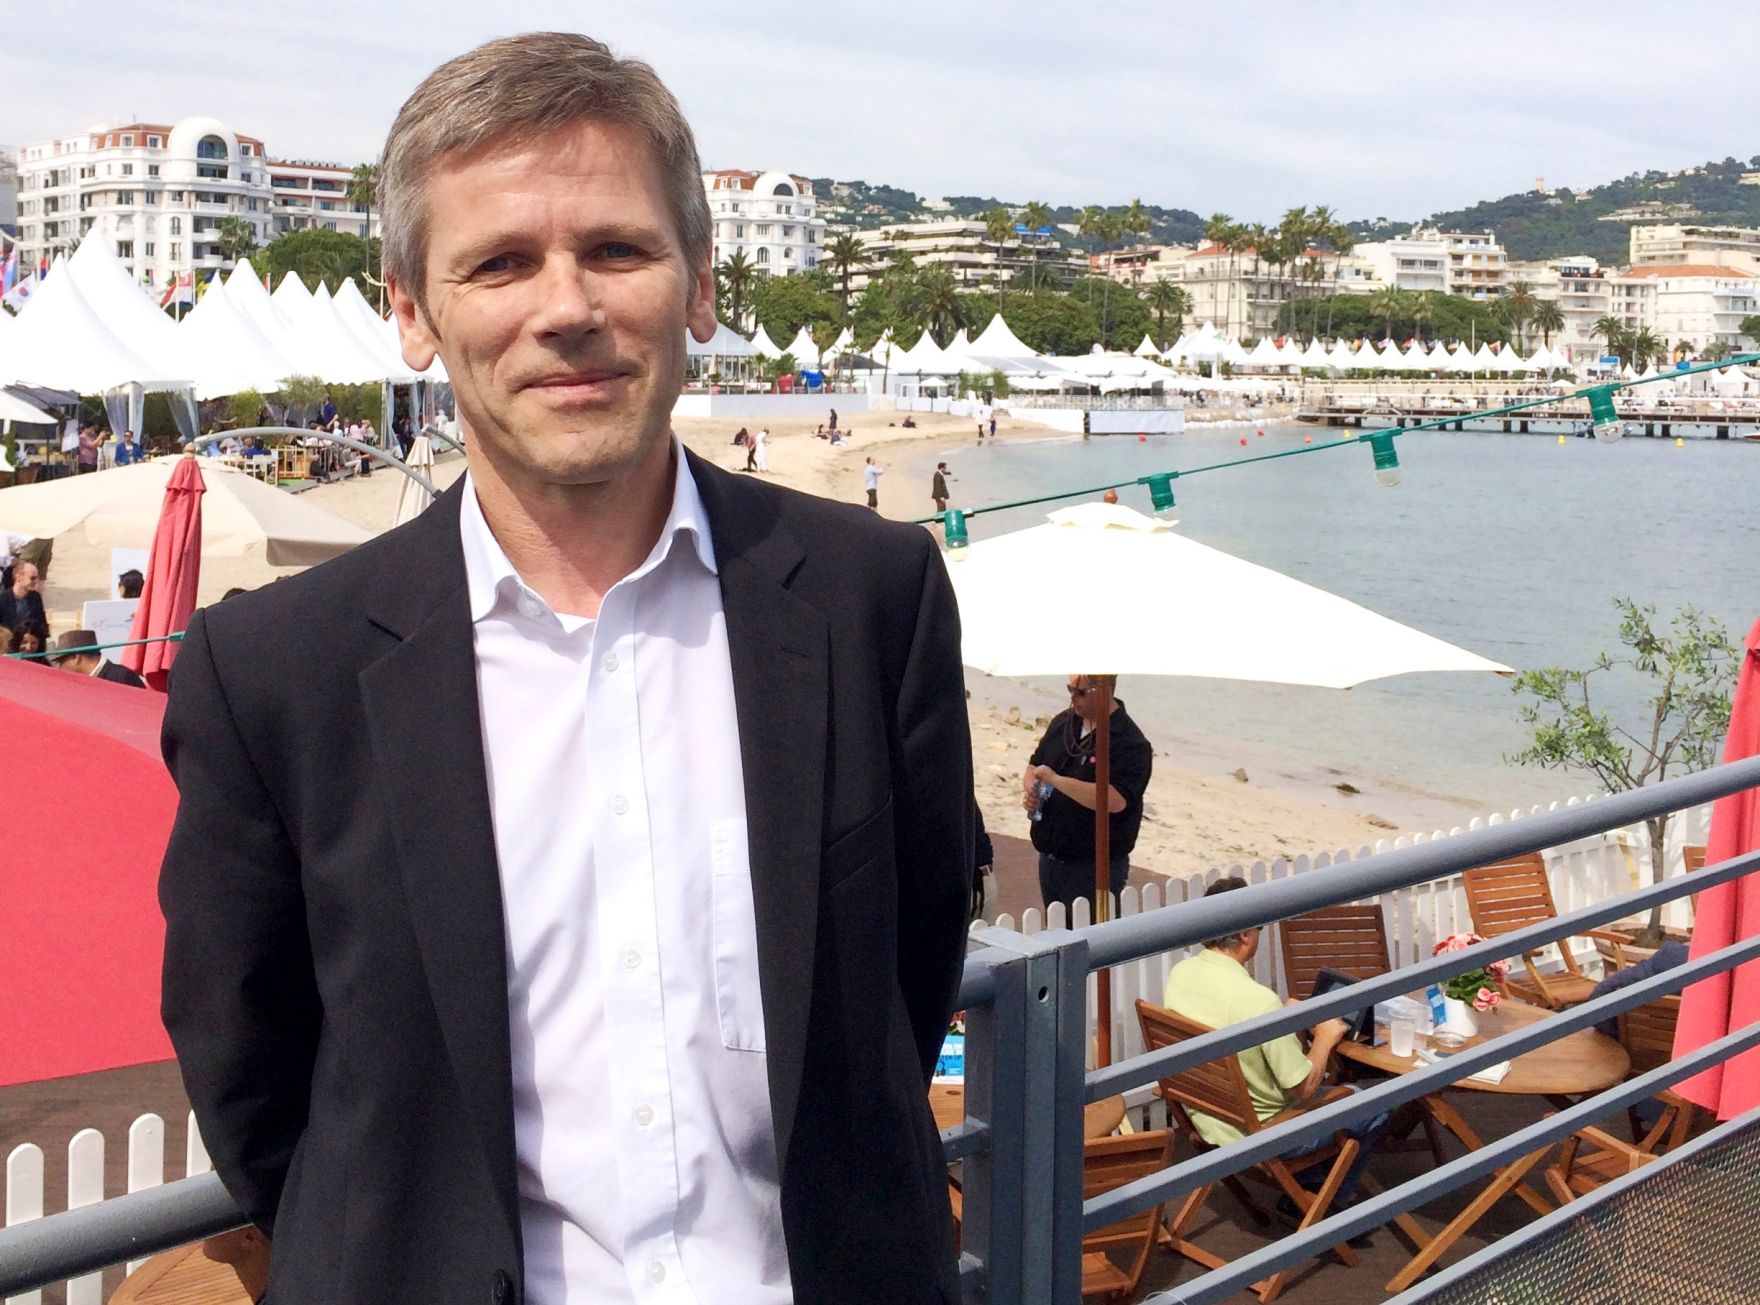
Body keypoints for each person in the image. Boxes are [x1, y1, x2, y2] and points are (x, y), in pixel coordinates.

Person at [158, 32, 972, 1305]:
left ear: (698, 282)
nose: (566, 308)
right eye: (497, 263)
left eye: (615, 249)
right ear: (414, 313)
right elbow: (247, 1067)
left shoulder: (873, 599)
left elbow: (906, 971)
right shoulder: (276, 671)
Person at [1162, 877, 1389, 1216]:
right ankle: (1325, 1205)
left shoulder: (1182, 974)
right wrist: (1325, 1039)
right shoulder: (1257, 1003)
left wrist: (1282, 1018)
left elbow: (1229, 1019)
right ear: (1244, 934)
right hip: (1264, 1132)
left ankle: (1307, 1187)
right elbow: (1302, 1087)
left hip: (1207, 1119)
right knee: (1372, 1103)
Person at [1023, 675, 1152, 915]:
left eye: (1081, 692)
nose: (1073, 698)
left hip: (1093, 866)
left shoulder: (1130, 742)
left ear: (1104, 690)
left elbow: (1115, 800)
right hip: (1050, 855)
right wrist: (1035, 790)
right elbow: (1035, 765)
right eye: (1070, 690)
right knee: (1056, 937)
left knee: (1090, 939)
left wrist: (1057, 781)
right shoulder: (1065, 722)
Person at [48, 629, 147, 687]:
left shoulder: (122, 677)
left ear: (76, 657)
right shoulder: (81, 684)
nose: (60, 667)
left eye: (61, 661)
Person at [0, 561, 48, 636]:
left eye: (36, 578)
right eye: (32, 578)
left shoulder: (35, 597)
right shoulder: (2, 599)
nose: (36, 581)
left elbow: (42, 624)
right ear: (18, 577)